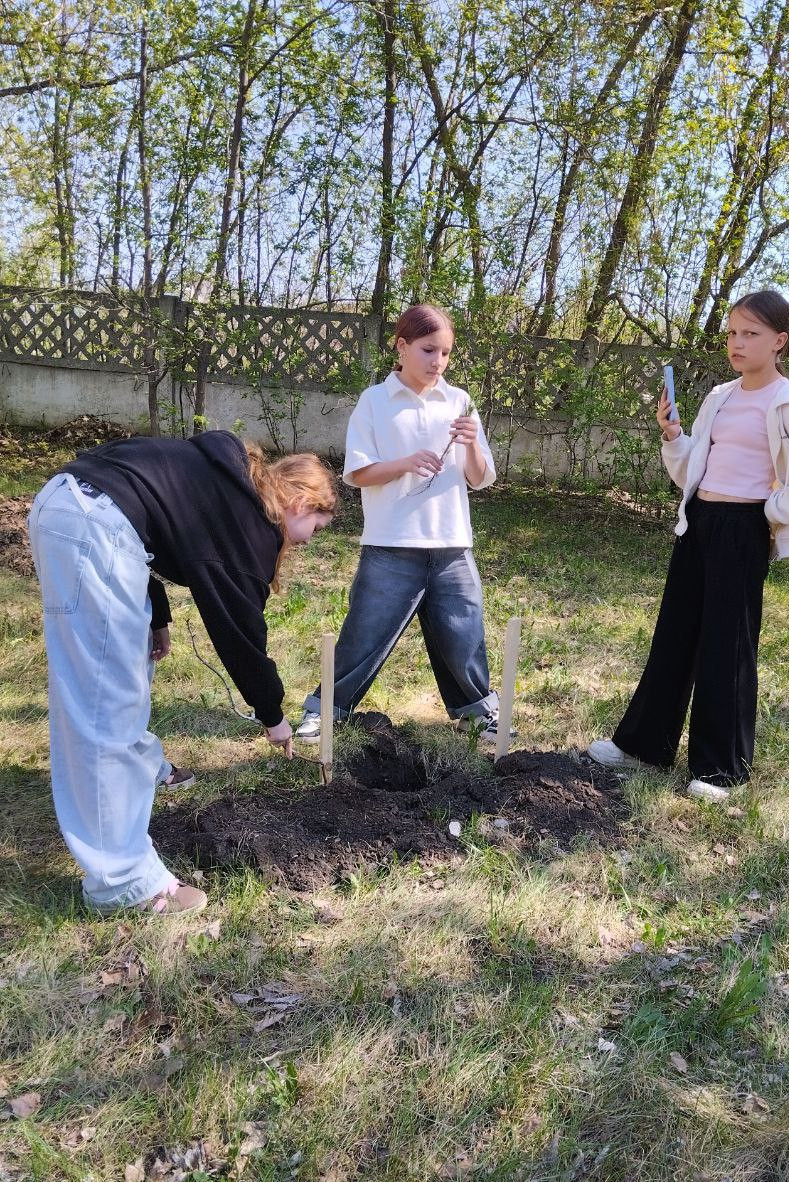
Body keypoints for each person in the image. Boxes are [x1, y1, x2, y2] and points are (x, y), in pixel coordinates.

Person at [28, 431, 338, 914]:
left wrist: (156, 617)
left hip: (76, 507)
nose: (307, 541)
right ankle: (124, 882)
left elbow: (154, 510)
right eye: (315, 528)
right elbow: (239, 635)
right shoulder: (248, 525)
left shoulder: (228, 474)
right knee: (103, 705)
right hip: (92, 527)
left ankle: (146, 770)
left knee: (121, 676)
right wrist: (274, 717)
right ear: (299, 501)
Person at [588, 289, 789, 800]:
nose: (737, 343)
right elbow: (694, 470)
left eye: (750, 334)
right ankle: (643, 748)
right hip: (700, 522)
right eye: (732, 332)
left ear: (780, 341)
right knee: (675, 636)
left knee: (726, 647)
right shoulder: (720, 396)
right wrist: (673, 437)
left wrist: (771, 512)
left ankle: (720, 771)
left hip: (742, 529)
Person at [294, 303, 504, 744]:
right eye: (429, 350)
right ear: (402, 346)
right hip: (390, 544)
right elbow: (359, 474)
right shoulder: (374, 402)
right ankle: (325, 711)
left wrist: (469, 446)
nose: (438, 362)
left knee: (464, 633)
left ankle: (481, 713)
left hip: (451, 544)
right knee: (363, 634)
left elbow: (480, 478)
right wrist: (405, 463)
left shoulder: (460, 401)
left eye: (446, 353)